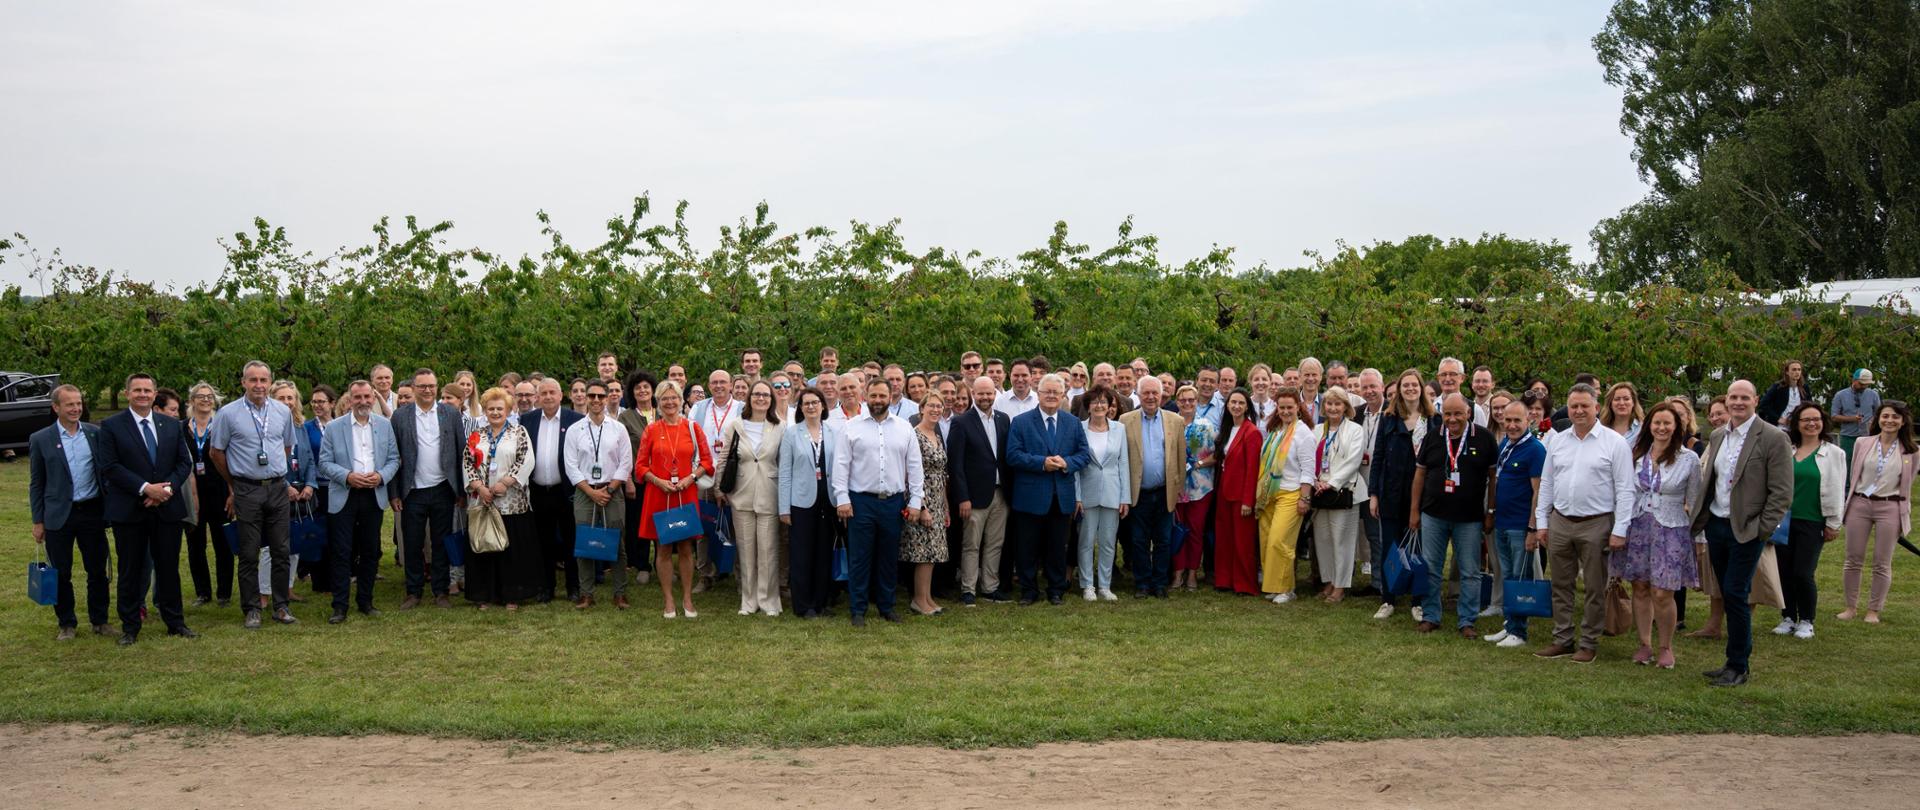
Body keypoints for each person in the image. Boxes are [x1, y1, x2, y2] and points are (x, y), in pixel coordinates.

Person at [1691, 379, 1795, 687]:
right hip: (1717, 525)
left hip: (1747, 529)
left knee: (1736, 593)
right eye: (1733, 397)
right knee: (1728, 592)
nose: (1738, 402)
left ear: (1755, 400)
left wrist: (1762, 529)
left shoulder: (1773, 437)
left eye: (1744, 397)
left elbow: (1782, 492)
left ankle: (1739, 665)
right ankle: (1731, 662)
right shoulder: (1719, 435)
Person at [1532, 383, 1637, 664]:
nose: (1578, 411)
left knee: (1594, 587)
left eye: (1584, 406)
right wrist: (1542, 522)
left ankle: (1588, 642)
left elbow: (1626, 489)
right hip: (1560, 521)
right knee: (1561, 584)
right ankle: (1562, 638)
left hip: (1596, 523)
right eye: (1574, 406)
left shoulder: (1614, 443)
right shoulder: (1558, 441)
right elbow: (1547, 484)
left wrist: (1620, 529)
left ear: (1596, 407)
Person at [98, 373, 197, 644]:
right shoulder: (111, 426)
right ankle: (130, 627)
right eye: (137, 390)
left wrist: (165, 491)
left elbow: (183, 463)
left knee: (168, 568)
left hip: (166, 508)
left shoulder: (171, 425)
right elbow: (110, 466)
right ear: (127, 393)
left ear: (154, 394)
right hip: (130, 508)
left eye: (147, 390)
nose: (142, 394)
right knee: (130, 569)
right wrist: (145, 488)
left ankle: (175, 622)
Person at [1605, 402, 1703, 669]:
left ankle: (1666, 647)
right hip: (1638, 527)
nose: (1661, 428)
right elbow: (1624, 491)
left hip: (1671, 530)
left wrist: (1698, 538)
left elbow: (1695, 501)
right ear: (1649, 425)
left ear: (1676, 426)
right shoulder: (1636, 455)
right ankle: (1645, 643)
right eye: (1657, 423)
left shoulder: (1688, 459)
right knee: (1640, 586)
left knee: (1662, 592)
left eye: (1667, 423)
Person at [204, 362, 298, 630]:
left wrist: (275, 471)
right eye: (253, 380)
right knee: (248, 551)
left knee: (281, 549)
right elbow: (216, 452)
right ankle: (252, 608)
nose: (259, 385)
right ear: (243, 382)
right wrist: (234, 483)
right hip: (246, 488)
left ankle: (281, 606)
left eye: (263, 380)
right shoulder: (228, 413)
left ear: (270, 382)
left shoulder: (282, 411)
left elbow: (287, 446)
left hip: (277, 488)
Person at [831, 377, 927, 625]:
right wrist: (842, 498)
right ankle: (858, 609)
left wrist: (916, 501)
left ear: (890, 397)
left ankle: (887, 606)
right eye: (873, 396)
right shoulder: (851, 427)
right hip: (860, 502)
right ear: (866, 396)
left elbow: (915, 466)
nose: (877, 400)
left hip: (893, 502)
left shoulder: (904, 428)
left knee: (888, 557)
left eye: (882, 396)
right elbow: (841, 465)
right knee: (859, 558)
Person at [29, 385, 113, 640]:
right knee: (61, 572)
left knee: (97, 570)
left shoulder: (94, 433)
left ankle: (100, 621)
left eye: (78, 403)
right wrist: (38, 520)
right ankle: (66, 623)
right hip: (59, 515)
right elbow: (37, 483)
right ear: (56, 407)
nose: (76, 408)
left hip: (92, 512)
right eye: (70, 404)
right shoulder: (40, 439)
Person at [1409, 394, 1496, 635]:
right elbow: (1419, 475)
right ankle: (1431, 615)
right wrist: (1414, 511)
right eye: (1447, 414)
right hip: (1433, 515)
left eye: (1458, 413)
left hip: (1469, 518)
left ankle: (1467, 620)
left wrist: (1490, 511)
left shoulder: (1484, 438)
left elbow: (1493, 478)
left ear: (1468, 413)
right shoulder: (1433, 436)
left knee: (1470, 571)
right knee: (1431, 568)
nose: (1452, 419)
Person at [316, 380, 399, 623]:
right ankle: (340, 605)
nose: (363, 401)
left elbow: (394, 459)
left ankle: (366, 601)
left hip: (373, 494)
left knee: (370, 550)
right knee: (341, 551)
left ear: (373, 398)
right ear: (349, 400)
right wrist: (347, 476)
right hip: (345, 494)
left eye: (367, 397)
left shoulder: (384, 425)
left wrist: (381, 476)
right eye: (357, 397)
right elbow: (324, 462)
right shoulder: (334, 427)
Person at [1005, 373, 1090, 606]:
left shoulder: (1072, 423)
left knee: (1057, 547)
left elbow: (1084, 454)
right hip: (1030, 496)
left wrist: (1066, 463)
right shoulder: (1021, 422)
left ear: (1063, 395)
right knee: (1027, 546)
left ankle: (1056, 590)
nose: (1051, 396)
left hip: (1061, 496)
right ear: (1038, 394)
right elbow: (1013, 455)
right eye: (1047, 392)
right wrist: (1041, 463)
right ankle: (1029, 590)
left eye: (1056, 392)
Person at [388, 368, 467, 611]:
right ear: (413, 388)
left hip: (443, 488)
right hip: (413, 490)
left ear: (437, 387)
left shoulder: (450, 413)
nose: (427, 390)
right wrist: (394, 493)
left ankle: (441, 591)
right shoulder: (400, 416)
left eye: (431, 386)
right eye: (422, 386)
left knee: (441, 542)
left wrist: (461, 490)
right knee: (412, 543)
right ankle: (413, 592)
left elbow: (461, 452)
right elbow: (393, 456)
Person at [635, 381, 711, 619]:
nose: (670, 402)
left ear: (681, 400)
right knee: (664, 548)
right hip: (659, 494)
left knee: (686, 548)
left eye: (674, 397)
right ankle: (668, 599)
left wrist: (691, 478)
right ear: (658, 402)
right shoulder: (651, 430)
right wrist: (657, 481)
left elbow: (707, 461)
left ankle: (687, 598)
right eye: (664, 398)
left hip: (685, 493)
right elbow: (640, 466)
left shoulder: (692, 427)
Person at [1369, 369, 1438, 621]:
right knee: (1391, 548)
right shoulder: (1388, 418)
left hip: (1422, 495)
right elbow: (1378, 457)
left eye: (1414, 385)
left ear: (1421, 388)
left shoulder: (1433, 420)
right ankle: (1388, 599)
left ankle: (1417, 601)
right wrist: (1374, 494)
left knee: (1418, 550)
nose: (1410, 389)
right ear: (1399, 390)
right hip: (1391, 493)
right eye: (1405, 385)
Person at [1840, 401, 1917, 624]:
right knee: (1853, 559)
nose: (1889, 420)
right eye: (1885, 416)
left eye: (1895, 417)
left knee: (1882, 562)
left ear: (1903, 421)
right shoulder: (1862, 443)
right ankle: (1851, 607)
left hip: (1890, 506)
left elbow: (1908, 484)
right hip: (1860, 503)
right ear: (1878, 419)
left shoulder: (1912, 451)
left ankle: (1873, 610)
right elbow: (1854, 474)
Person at [1774, 402, 1845, 640]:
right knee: (1784, 571)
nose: (1811, 424)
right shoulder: (1787, 450)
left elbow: (1838, 489)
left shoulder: (1834, 453)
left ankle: (1806, 620)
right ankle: (1788, 617)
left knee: (1803, 573)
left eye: (1816, 419)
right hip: (1784, 520)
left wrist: (1833, 523)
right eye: (1806, 419)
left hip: (1813, 521)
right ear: (1797, 423)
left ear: (1823, 422)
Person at [567, 379, 636, 610]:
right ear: (586, 398)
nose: (596, 400)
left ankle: (620, 593)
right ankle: (586, 594)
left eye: (600, 396)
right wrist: (591, 492)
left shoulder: (618, 428)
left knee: (617, 541)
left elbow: (626, 463)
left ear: (607, 398)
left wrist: (609, 489)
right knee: (584, 542)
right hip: (584, 491)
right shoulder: (575, 430)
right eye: (591, 396)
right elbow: (571, 466)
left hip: (612, 490)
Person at [715, 379, 783, 616]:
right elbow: (724, 458)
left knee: (768, 551)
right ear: (749, 398)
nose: (761, 398)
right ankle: (748, 600)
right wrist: (719, 489)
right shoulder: (736, 425)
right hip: (740, 494)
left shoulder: (780, 427)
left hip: (769, 494)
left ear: (771, 399)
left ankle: (768, 600)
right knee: (745, 552)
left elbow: (783, 463)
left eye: (765, 395)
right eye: (757, 395)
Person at [1484, 399, 1546, 649]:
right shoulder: (1505, 444)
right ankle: (1510, 624)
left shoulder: (1535, 450)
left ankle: (1519, 631)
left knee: (1521, 577)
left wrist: (1532, 528)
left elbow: (1538, 492)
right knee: (1508, 576)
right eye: (1507, 420)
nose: (1511, 425)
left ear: (1528, 419)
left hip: (1520, 525)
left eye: (1517, 420)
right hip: (1502, 521)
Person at [948, 374, 1013, 606]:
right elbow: (955, 465)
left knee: (995, 543)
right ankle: (968, 589)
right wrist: (962, 497)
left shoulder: (1004, 420)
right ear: (973, 394)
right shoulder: (961, 422)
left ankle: (989, 587)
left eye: (989, 393)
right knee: (971, 544)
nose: (985, 397)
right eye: (981, 393)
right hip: (974, 496)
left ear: (995, 394)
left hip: (1000, 493)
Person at [1120, 375, 1185, 599]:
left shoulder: (1175, 421)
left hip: (1165, 491)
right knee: (1138, 540)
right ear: (1138, 395)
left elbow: (1180, 457)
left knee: (1163, 540)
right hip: (1138, 492)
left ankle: (1159, 583)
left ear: (1162, 395)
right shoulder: (1125, 420)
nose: (1150, 397)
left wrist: (1178, 489)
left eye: (1154, 393)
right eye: (1146, 393)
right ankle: (1142, 583)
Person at [519, 377, 583, 603]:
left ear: (560, 395)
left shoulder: (575, 420)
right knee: (543, 541)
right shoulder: (527, 420)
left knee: (570, 540)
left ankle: (573, 586)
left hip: (566, 491)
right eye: (543, 393)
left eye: (552, 392)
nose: (547, 397)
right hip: (538, 491)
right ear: (537, 397)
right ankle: (546, 587)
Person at [779, 387, 838, 619]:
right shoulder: (792, 434)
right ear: (801, 408)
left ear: (823, 405)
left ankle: (821, 602)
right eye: (806, 403)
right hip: (801, 503)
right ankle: (804, 605)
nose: (811, 406)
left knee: (824, 553)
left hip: (828, 501)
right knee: (802, 554)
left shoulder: (833, 432)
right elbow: (785, 473)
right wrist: (784, 508)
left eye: (815, 402)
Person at [1256, 389, 1314, 604]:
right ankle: (1273, 586)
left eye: (1290, 407)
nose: (1286, 411)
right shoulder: (1275, 430)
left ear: (1298, 407)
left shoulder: (1304, 433)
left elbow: (1308, 469)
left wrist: (1304, 498)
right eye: (1282, 408)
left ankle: (1287, 588)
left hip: (1291, 493)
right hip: (1269, 494)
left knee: (1279, 541)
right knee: (1266, 541)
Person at [1074, 386, 1131, 601]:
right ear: (1088, 406)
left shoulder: (1119, 429)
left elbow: (1123, 463)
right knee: (1086, 541)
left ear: (1109, 406)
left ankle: (1105, 586)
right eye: (1095, 402)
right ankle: (1087, 585)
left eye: (1104, 402)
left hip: (1112, 493)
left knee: (1108, 542)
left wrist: (1125, 497)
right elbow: (1075, 466)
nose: (1099, 405)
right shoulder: (1078, 428)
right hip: (1086, 493)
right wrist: (1077, 496)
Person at [263, 380, 318, 606]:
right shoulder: (265, 426)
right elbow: (266, 460)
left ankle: (288, 588)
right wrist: (284, 485)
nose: (287, 402)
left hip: (301, 491)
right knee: (270, 545)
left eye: (290, 398)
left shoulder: (300, 426)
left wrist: (310, 484)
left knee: (294, 541)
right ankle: (264, 593)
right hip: (276, 489)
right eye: (281, 398)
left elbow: (310, 460)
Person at [1309, 386, 1366, 603]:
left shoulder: (1355, 430)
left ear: (1345, 407)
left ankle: (1340, 585)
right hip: (1319, 491)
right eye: (1329, 404)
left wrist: (1331, 483)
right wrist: (1314, 480)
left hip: (1343, 491)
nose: (1333, 408)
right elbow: (1308, 457)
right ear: (1324, 406)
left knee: (1341, 540)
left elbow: (1353, 461)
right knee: (1323, 539)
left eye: (1338, 404)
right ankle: (1329, 581)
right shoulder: (1316, 430)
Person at [691, 369, 745, 593]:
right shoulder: (699, 408)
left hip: (735, 477)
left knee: (738, 526)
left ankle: (741, 577)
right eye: (714, 382)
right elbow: (691, 439)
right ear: (709, 385)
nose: (719, 386)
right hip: (705, 475)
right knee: (704, 527)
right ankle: (706, 575)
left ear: (731, 385)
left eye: (723, 382)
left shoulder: (742, 408)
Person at [181, 382, 234, 607]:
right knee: (195, 544)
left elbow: (231, 460)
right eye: (200, 396)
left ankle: (224, 593)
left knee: (223, 543)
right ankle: (203, 592)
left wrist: (232, 491)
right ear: (192, 400)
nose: (205, 400)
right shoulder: (182, 428)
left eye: (209, 396)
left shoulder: (222, 425)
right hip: (192, 492)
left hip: (220, 491)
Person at [1685, 396, 1734, 639]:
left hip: (1740, 520)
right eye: (1712, 414)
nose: (1715, 418)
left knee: (1742, 580)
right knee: (1717, 576)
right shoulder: (1715, 440)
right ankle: (1714, 625)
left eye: (1719, 413)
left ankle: (1737, 628)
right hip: (1715, 516)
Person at [901, 391, 953, 615]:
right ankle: (919, 600)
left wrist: (945, 506)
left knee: (933, 552)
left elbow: (942, 474)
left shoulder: (937, 435)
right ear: (921, 409)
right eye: (931, 405)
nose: (935, 410)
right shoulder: (914, 435)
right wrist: (922, 507)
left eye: (939, 406)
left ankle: (927, 597)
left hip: (938, 499)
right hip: (921, 498)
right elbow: (911, 473)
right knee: (923, 552)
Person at [1213, 389, 1262, 596]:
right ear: (1227, 405)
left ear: (1247, 407)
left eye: (1241, 403)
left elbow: (1253, 469)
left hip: (1242, 495)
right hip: (1224, 491)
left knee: (1243, 541)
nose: (1236, 406)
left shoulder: (1252, 432)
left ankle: (1244, 583)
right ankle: (1224, 579)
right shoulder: (1226, 429)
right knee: (1224, 538)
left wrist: (1248, 501)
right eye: (1233, 402)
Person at [1172, 385, 1217, 591]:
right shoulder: (1171, 423)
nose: (1187, 403)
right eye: (1183, 400)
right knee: (1177, 530)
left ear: (1197, 401)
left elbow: (1216, 454)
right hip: (1176, 486)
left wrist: (1197, 463)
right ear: (1177, 401)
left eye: (1191, 400)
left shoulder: (1206, 426)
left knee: (1195, 531)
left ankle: (1192, 573)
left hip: (1200, 487)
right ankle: (1178, 572)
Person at [1830, 369, 1881, 463]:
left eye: (1866, 384)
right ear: (1854, 380)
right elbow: (1834, 416)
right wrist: (1852, 419)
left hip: (1867, 436)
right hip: (1848, 437)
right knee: (1847, 464)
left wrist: (1872, 423)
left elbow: (1878, 414)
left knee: (1866, 463)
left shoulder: (1873, 395)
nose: (1864, 386)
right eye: (1861, 384)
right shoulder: (1840, 395)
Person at [1759, 360, 1812, 429]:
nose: (1797, 372)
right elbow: (1764, 404)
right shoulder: (1778, 387)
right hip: (1780, 427)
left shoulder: (1804, 387)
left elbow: (1809, 406)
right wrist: (1778, 419)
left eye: (1799, 370)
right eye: (1794, 370)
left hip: (1798, 426)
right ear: (1787, 372)